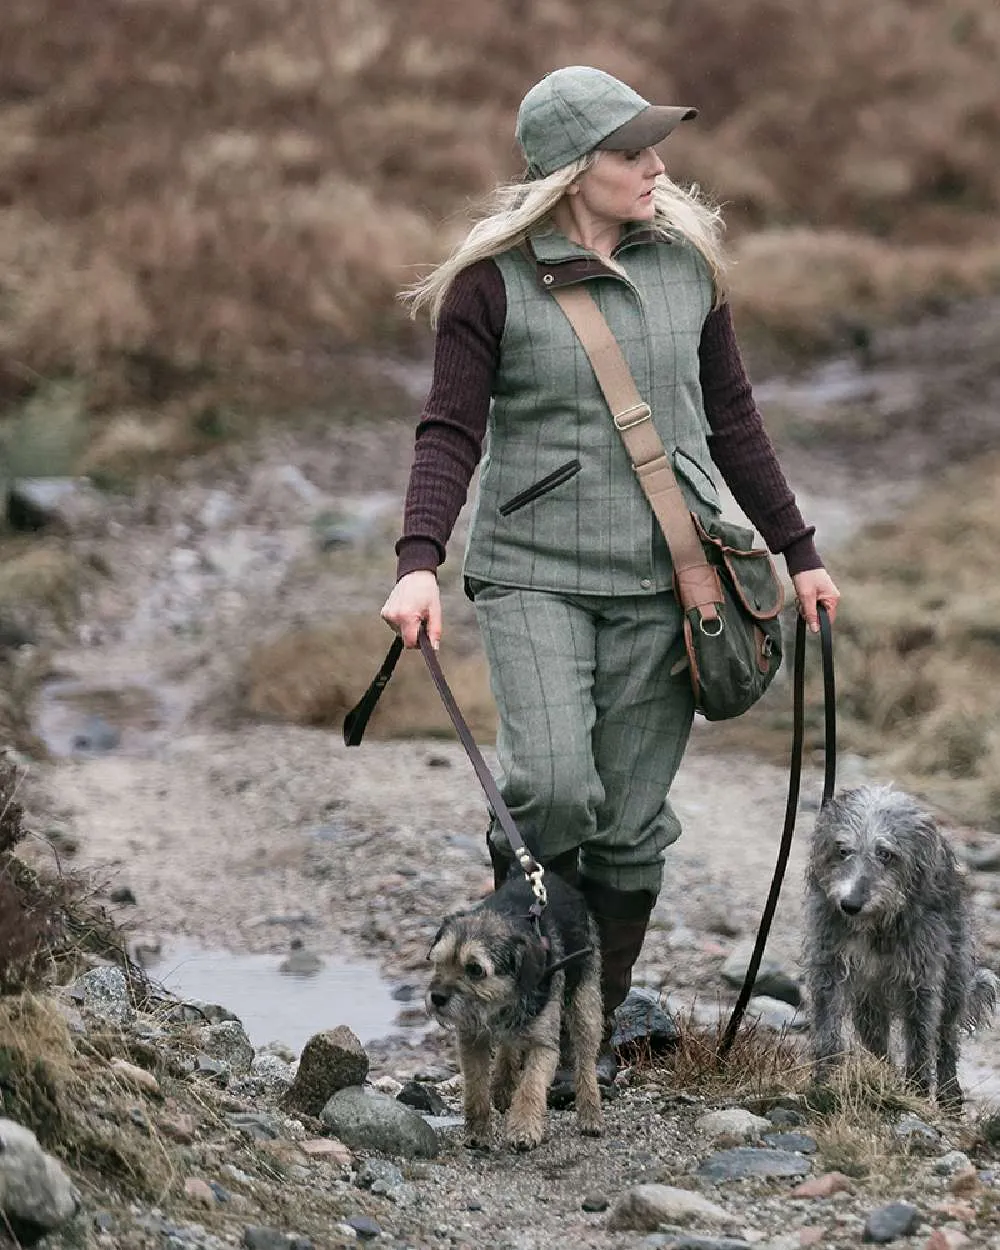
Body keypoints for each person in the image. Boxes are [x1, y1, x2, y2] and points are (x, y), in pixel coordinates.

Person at [381, 65, 840, 1082]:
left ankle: (589, 1020)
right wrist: (418, 563)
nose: (657, 166)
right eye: (632, 152)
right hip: (533, 574)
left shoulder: (685, 269)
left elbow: (733, 420)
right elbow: (446, 431)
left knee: (630, 831)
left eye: (652, 148)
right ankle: (517, 987)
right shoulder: (489, 287)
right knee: (550, 789)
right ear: (571, 168)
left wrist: (798, 550)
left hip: (673, 585)